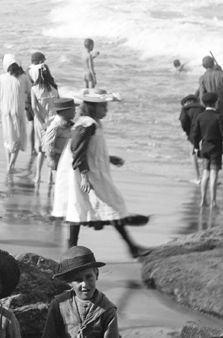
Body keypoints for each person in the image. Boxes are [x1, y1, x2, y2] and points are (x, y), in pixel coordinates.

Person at [52, 89, 146, 259]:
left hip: (88, 169)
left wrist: (109, 158)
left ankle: (73, 249)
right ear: (93, 107)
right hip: (85, 171)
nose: (106, 110)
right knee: (107, 204)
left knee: (83, 207)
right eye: (103, 106)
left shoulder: (92, 122)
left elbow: (89, 148)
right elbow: (77, 149)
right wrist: (85, 176)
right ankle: (131, 247)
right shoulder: (86, 124)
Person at [190, 92, 223, 208]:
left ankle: (203, 200)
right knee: (214, 175)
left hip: (204, 149)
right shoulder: (218, 116)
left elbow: (195, 134)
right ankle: (213, 202)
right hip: (216, 150)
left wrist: (195, 147)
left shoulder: (200, 116)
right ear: (216, 103)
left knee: (205, 175)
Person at [28, 52, 60, 182]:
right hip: (54, 121)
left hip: (41, 123)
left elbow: (34, 108)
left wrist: (42, 122)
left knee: (40, 149)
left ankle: (37, 176)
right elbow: (59, 105)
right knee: (51, 149)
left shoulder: (34, 89)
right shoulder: (54, 88)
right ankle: (51, 178)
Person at [0, 54, 31, 174]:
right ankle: (12, 164)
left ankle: (9, 164)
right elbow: (29, 90)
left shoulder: (2, 77)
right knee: (17, 137)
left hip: (5, 111)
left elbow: (0, 92)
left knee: (8, 137)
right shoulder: (23, 77)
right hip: (18, 111)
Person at [197, 55, 223, 143]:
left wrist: (206, 108)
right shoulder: (221, 74)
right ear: (213, 63)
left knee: (214, 136)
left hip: (212, 111)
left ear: (203, 66)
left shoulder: (202, 78)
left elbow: (201, 96)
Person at [42, 98, 76, 187]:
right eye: (73, 110)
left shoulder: (69, 124)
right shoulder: (56, 126)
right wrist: (51, 159)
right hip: (58, 160)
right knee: (60, 186)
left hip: (67, 159)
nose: (75, 112)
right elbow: (48, 144)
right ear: (65, 112)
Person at [178, 94, 206, 183]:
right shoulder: (203, 108)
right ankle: (206, 177)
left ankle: (198, 178)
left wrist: (188, 132)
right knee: (205, 153)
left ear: (187, 102)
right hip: (207, 132)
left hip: (194, 133)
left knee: (193, 154)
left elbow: (183, 121)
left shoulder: (185, 109)